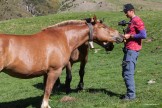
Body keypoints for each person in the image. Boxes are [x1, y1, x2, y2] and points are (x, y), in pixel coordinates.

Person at [121, 3, 147, 100]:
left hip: (132, 50)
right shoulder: (131, 21)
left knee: (128, 73)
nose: (125, 14)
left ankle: (131, 96)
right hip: (128, 50)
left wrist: (130, 36)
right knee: (125, 72)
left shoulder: (137, 20)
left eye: (126, 12)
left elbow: (143, 34)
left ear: (132, 11)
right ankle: (130, 93)